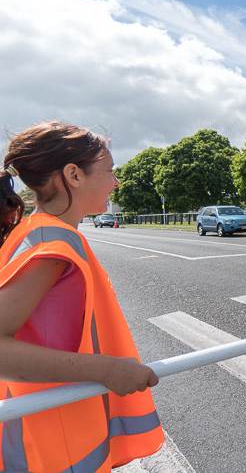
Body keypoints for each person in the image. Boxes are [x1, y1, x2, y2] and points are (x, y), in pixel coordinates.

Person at [0, 122, 163, 472]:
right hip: (50, 447)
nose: (116, 182)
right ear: (73, 174)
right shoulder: (49, 244)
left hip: (53, 433)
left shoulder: (38, 231)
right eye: (110, 171)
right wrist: (105, 370)